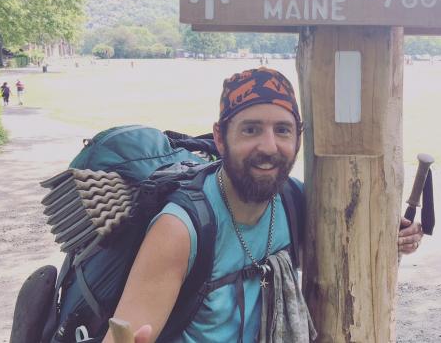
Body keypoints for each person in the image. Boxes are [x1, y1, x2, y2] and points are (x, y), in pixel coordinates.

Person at [104, 68, 423, 343]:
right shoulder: (179, 230)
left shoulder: (294, 200)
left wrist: (397, 233)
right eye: (251, 129)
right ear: (220, 137)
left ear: (298, 138)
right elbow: (124, 335)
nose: (269, 147)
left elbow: (358, 233)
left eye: (282, 130)